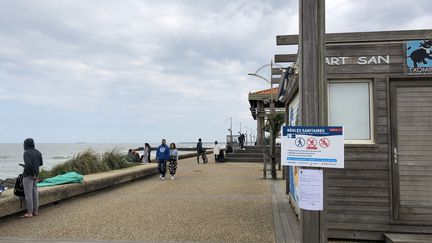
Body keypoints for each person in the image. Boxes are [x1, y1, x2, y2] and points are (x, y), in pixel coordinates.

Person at [21, 138, 43, 218]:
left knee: (28, 194)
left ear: (26, 144)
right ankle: (36, 211)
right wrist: (35, 172)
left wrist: (32, 172)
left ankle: (29, 212)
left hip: (28, 175)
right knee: (35, 192)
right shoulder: (38, 152)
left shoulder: (26, 153)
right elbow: (40, 163)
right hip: (36, 174)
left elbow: (28, 165)